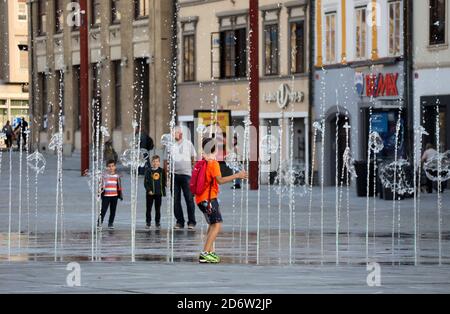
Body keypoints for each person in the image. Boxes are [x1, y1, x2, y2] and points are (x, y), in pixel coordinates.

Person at [196, 138, 247, 264]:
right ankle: (205, 253)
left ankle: (209, 251)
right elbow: (220, 180)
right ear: (215, 149)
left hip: (200, 199)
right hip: (209, 199)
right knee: (217, 224)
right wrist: (237, 175)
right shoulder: (213, 163)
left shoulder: (203, 161)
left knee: (212, 224)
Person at [165, 126, 197, 230]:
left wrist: (194, 173)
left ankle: (191, 222)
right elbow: (166, 161)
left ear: (181, 134)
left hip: (187, 175)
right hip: (174, 175)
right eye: (172, 133)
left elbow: (194, 158)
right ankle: (180, 222)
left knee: (189, 199)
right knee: (175, 200)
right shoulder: (169, 145)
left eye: (175, 133)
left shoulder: (188, 144)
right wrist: (167, 177)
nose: (173, 135)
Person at [99, 160, 123, 230]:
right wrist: (99, 193)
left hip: (114, 196)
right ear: (107, 168)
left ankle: (110, 223)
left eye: (112, 166)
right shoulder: (104, 176)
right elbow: (101, 185)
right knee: (103, 210)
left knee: (113, 210)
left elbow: (119, 186)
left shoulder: (117, 176)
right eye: (109, 166)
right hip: (106, 196)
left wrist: (120, 195)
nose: (111, 168)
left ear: (115, 167)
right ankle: (99, 223)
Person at [144, 155, 166, 230]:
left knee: (158, 209)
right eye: (153, 161)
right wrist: (148, 190)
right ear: (151, 162)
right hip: (150, 193)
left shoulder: (161, 171)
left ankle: (157, 222)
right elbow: (145, 182)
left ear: (159, 163)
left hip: (158, 193)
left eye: (157, 161)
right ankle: (148, 222)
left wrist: (165, 186)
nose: (155, 163)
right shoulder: (148, 171)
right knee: (148, 208)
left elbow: (164, 181)